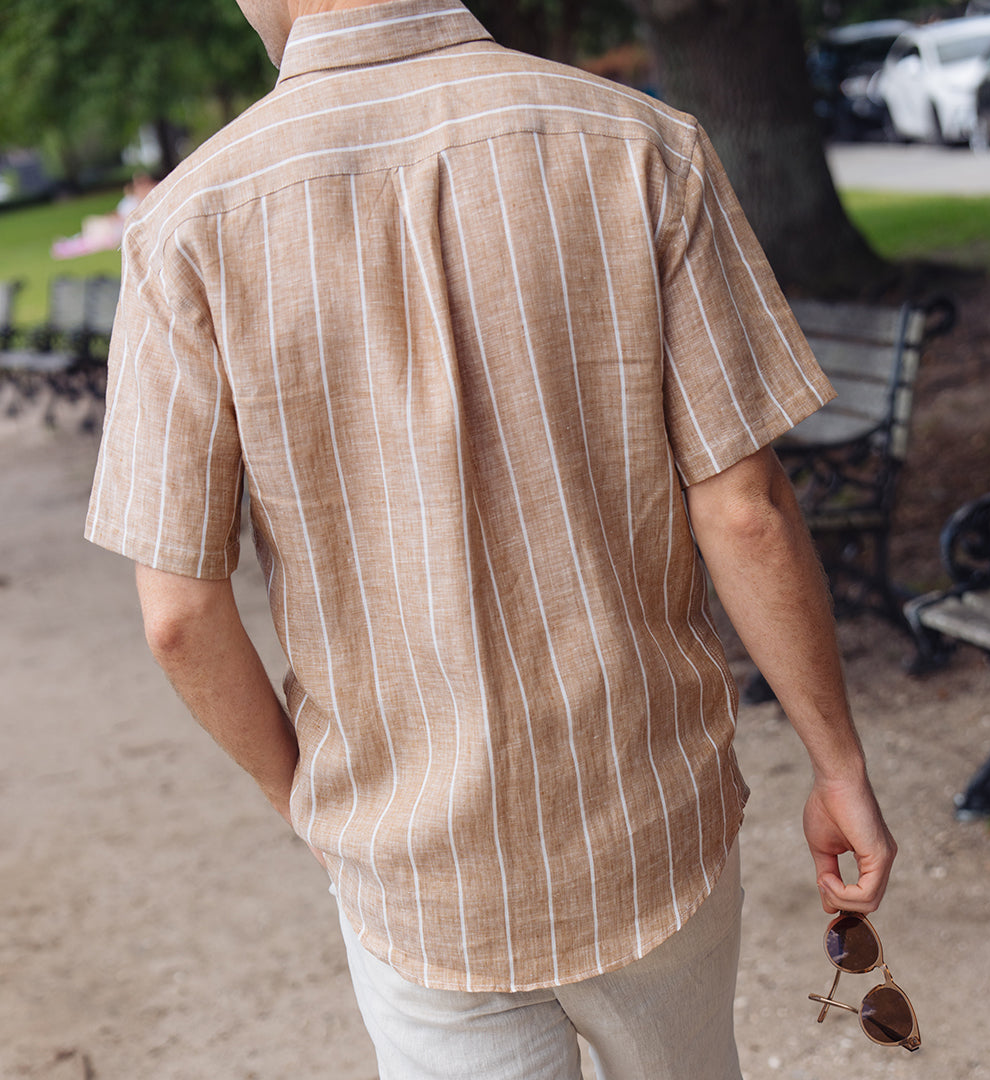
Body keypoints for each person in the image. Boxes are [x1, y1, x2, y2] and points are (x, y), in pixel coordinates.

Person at [85, 1, 897, 1077]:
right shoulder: (641, 146)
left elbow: (181, 618)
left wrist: (320, 812)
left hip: (415, 866)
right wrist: (838, 762)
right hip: (648, 809)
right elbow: (743, 503)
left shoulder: (186, 224)